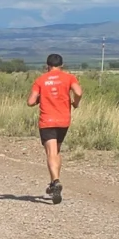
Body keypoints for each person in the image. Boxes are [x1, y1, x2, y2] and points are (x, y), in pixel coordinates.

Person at [29, 52, 82, 204]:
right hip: (64, 120)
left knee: (51, 152)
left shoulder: (41, 80)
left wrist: (39, 98)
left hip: (47, 120)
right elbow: (78, 92)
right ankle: (53, 183)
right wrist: (75, 103)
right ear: (62, 65)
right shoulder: (69, 78)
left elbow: (30, 102)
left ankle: (56, 181)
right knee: (56, 151)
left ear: (47, 66)